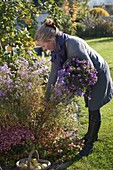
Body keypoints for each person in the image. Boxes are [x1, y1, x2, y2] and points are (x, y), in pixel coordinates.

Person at [34, 19, 113, 159]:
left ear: (52, 38)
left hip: (98, 73)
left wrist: (71, 87)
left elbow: (89, 69)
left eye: (45, 45)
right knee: (91, 106)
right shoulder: (56, 51)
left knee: (94, 107)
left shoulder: (72, 44)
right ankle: (90, 136)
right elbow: (53, 75)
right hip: (85, 76)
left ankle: (89, 145)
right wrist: (46, 99)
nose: (44, 49)